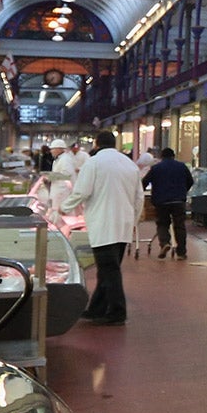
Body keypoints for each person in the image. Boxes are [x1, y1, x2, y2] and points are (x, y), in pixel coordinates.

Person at [64, 130, 144, 325]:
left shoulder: (93, 163)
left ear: (97, 144)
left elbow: (82, 191)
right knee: (108, 268)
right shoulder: (129, 164)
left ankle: (117, 311)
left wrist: (63, 207)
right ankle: (96, 309)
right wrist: (133, 220)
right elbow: (139, 197)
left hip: (103, 223)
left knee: (109, 269)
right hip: (123, 224)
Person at [142, 146, 195, 260]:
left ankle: (165, 242)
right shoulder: (182, 166)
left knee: (162, 224)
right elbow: (190, 181)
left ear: (161, 157)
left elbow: (144, 182)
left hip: (161, 201)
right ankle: (181, 253)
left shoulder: (156, 168)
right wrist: (182, 192)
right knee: (179, 225)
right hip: (178, 201)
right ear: (173, 156)